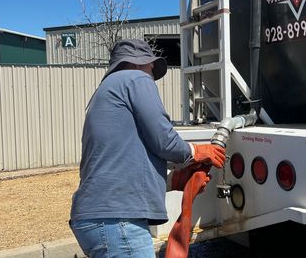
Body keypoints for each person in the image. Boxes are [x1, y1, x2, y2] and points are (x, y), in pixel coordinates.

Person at [69, 39, 226, 257]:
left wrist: (173, 181)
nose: (152, 72)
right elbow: (164, 140)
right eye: (150, 65)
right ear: (136, 63)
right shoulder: (135, 79)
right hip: (118, 221)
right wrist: (197, 151)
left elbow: (127, 158)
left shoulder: (106, 92)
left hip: (97, 218)